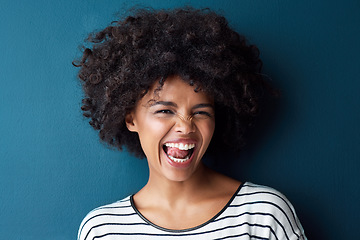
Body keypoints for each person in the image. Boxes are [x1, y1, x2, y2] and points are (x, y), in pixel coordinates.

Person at [74, 7, 307, 240]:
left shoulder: (264, 216)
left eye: (201, 112)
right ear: (130, 118)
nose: (185, 127)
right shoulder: (102, 230)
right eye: (165, 110)